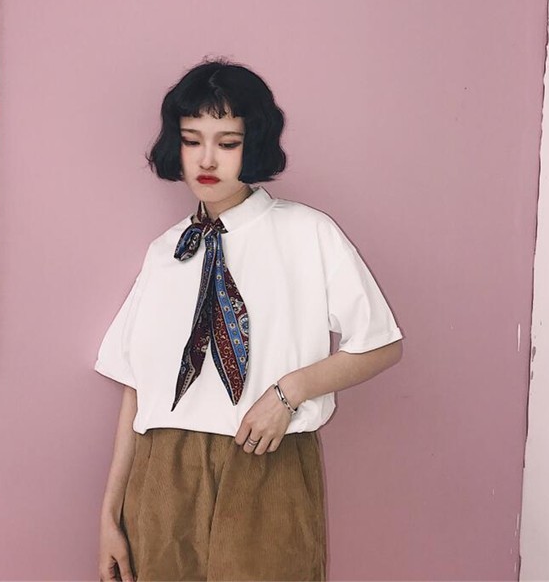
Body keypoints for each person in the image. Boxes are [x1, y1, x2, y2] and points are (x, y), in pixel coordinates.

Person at [95, 57, 404, 582]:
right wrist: (108, 515)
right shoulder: (165, 252)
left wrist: (289, 392)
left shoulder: (307, 232)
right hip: (160, 475)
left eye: (228, 142)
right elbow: (135, 391)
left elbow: (381, 344)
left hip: (266, 465)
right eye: (191, 140)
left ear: (252, 144)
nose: (206, 159)